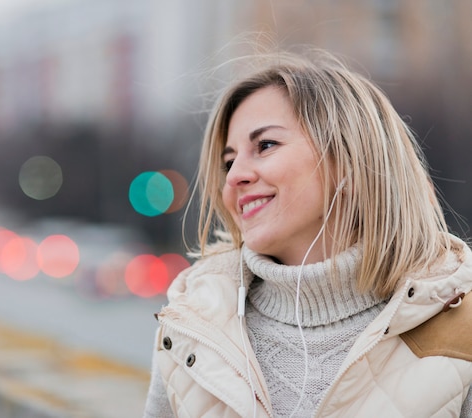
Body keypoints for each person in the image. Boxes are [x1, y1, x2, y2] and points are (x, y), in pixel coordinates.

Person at [143, 48, 472, 418]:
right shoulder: (190, 329)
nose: (234, 177)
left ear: (348, 162)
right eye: (229, 161)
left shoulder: (462, 332)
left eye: (265, 145)